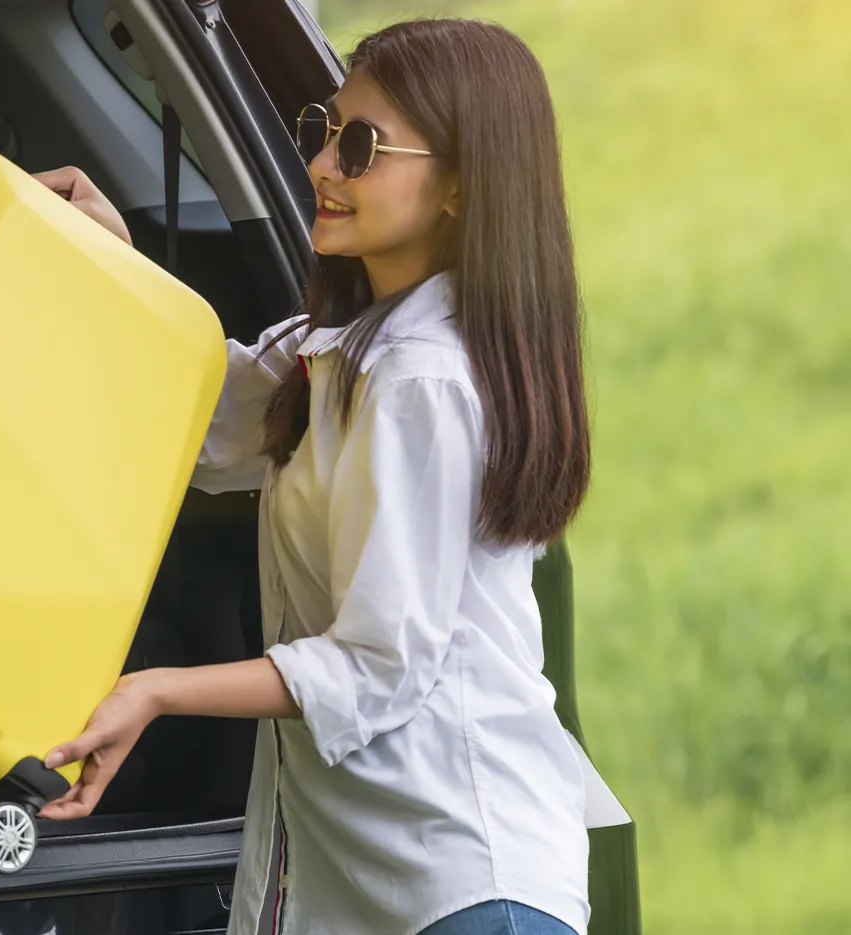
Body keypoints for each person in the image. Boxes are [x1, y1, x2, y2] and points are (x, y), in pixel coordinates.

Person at [32, 17, 592, 935]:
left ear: (458, 184)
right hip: (386, 882)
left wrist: (156, 690)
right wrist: (110, 260)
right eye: (320, 130)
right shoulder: (335, 350)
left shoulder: (418, 378)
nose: (322, 164)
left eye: (360, 146)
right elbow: (200, 419)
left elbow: (376, 665)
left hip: (463, 883)